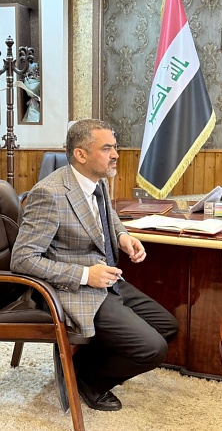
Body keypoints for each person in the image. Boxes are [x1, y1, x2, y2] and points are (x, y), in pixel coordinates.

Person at [11, 119, 178, 412]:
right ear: (81, 154)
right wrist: (86, 275)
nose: (116, 154)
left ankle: (77, 368)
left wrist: (123, 236)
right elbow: (23, 259)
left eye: (115, 147)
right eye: (107, 148)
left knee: (167, 326)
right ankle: (88, 381)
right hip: (73, 288)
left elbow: (107, 216)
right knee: (152, 349)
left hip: (108, 280)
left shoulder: (97, 181)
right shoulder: (49, 194)